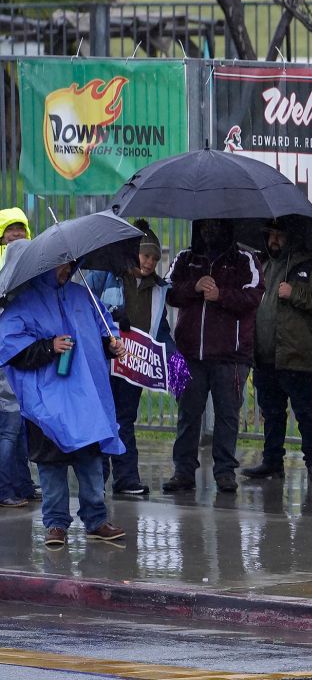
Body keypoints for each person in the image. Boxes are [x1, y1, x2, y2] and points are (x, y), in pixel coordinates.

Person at [0, 259, 127, 548]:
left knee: (92, 462)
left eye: (71, 265)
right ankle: (56, 525)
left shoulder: (83, 296)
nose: (67, 270)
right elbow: (9, 349)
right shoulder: (24, 304)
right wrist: (48, 346)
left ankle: (96, 520)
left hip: (86, 400)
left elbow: (104, 329)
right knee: (52, 467)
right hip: (47, 403)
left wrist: (113, 345)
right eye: (61, 266)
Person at [163, 219, 264, 494]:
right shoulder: (185, 257)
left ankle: (225, 473)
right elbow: (167, 292)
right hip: (188, 354)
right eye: (205, 224)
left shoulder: (246, 259)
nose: (210, 229)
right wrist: (194, 287)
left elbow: (254, 296)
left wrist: (221, 295)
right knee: (187, 415)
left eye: (216, 224)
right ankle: (183, 471)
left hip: (230, 357)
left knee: (227, 416)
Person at [242, 220, 312, 484]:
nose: (274, 240)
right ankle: (272, 461)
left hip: (297, 355)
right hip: (266, 355)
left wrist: (295, 292)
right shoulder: (262, 265)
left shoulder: (311, 266)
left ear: (291, 237)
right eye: (270, 234)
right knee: (271, 412)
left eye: (279, 235)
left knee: (306, 412)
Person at [83, 220, 172, 495]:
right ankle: (98, 477)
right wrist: (110, 314)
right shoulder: (106, 275)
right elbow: (86, 305)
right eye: (146, 255)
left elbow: (162, 330)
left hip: (133, 365)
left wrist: (175, 365)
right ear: (135, 252)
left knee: (125, 418)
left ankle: (126, 478)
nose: (149, 262)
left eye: (155, 258)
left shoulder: (158, 289)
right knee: (102, 417)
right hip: (104, 360)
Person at [0, 208, 36, 508]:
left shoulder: (30, 263)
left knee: (21, 427)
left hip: (22, 355)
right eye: (10, 229)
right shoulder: (9, 266)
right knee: (10, 428)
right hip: (7, 356)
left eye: (20, 229)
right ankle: (4, 490)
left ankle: (23, 485)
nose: (15, 235)